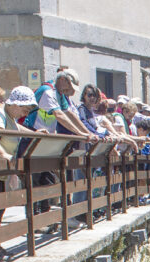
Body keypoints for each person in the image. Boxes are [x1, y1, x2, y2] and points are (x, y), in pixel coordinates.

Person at [24, 69, 97, 217]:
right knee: (35, 180)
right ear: (62, 80)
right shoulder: (48, 91)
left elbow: (70, 114)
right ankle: (35, 219)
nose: (70, 91)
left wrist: (88, 133)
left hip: (46, 140)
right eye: (69, 86)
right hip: (33, 137)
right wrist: (81, 134)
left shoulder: (59, 94)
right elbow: (59, 115)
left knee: (48, 180)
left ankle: (44, 218)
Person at [0, 84, 39, 261]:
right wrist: (4, 154)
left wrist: (35, 133)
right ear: (16, 104)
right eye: (25, 109)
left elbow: (16, 129)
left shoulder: (9, 117)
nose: (26, 113)